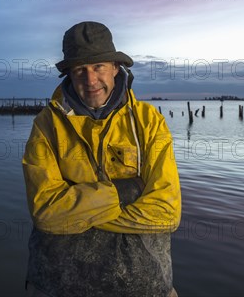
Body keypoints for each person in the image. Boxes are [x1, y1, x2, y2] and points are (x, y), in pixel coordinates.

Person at [21, 21, 182, 297]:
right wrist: (124, 192)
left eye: (98, 67)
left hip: (145, 285)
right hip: (60, 285)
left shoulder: (148, 121)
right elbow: (46, 213)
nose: (91, 80)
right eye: (80, 70)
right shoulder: (46, 126)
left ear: (115, 68)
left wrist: (79, 213)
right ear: (69, 75)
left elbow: (167, 212)